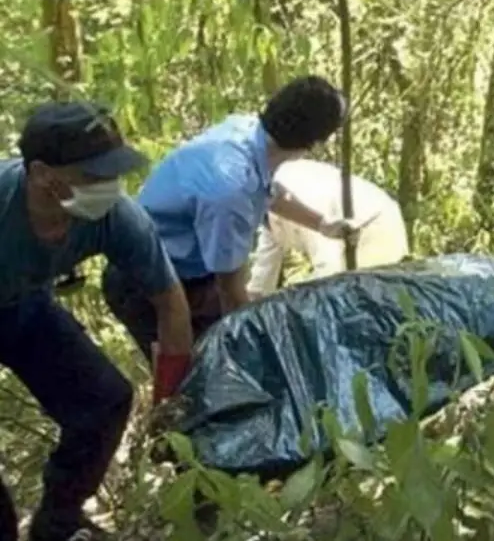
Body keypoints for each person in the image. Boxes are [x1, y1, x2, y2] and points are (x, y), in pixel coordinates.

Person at [0, 101, 194, 541]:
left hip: (23, 305)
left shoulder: (115, 217)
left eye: (113, 174)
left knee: (104, 401)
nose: (108, 187)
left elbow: (170, 302)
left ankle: (59, 523)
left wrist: (169, 399)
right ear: (43, 174)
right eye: (93, 177)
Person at [101, 76, 361, 361]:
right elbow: (230, 290)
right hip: (144, 285)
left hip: (191, 275)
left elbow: (270, 194)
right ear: (313, 142)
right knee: (198, 374)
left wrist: (323, 224)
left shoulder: (247, 133)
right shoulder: (230, 192)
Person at [245, 159, 409, 299]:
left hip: (372, 227)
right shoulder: (267, 210)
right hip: (342, 243)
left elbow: (328, 266)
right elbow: (264, 272)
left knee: (357, 300)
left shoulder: (297, 191)